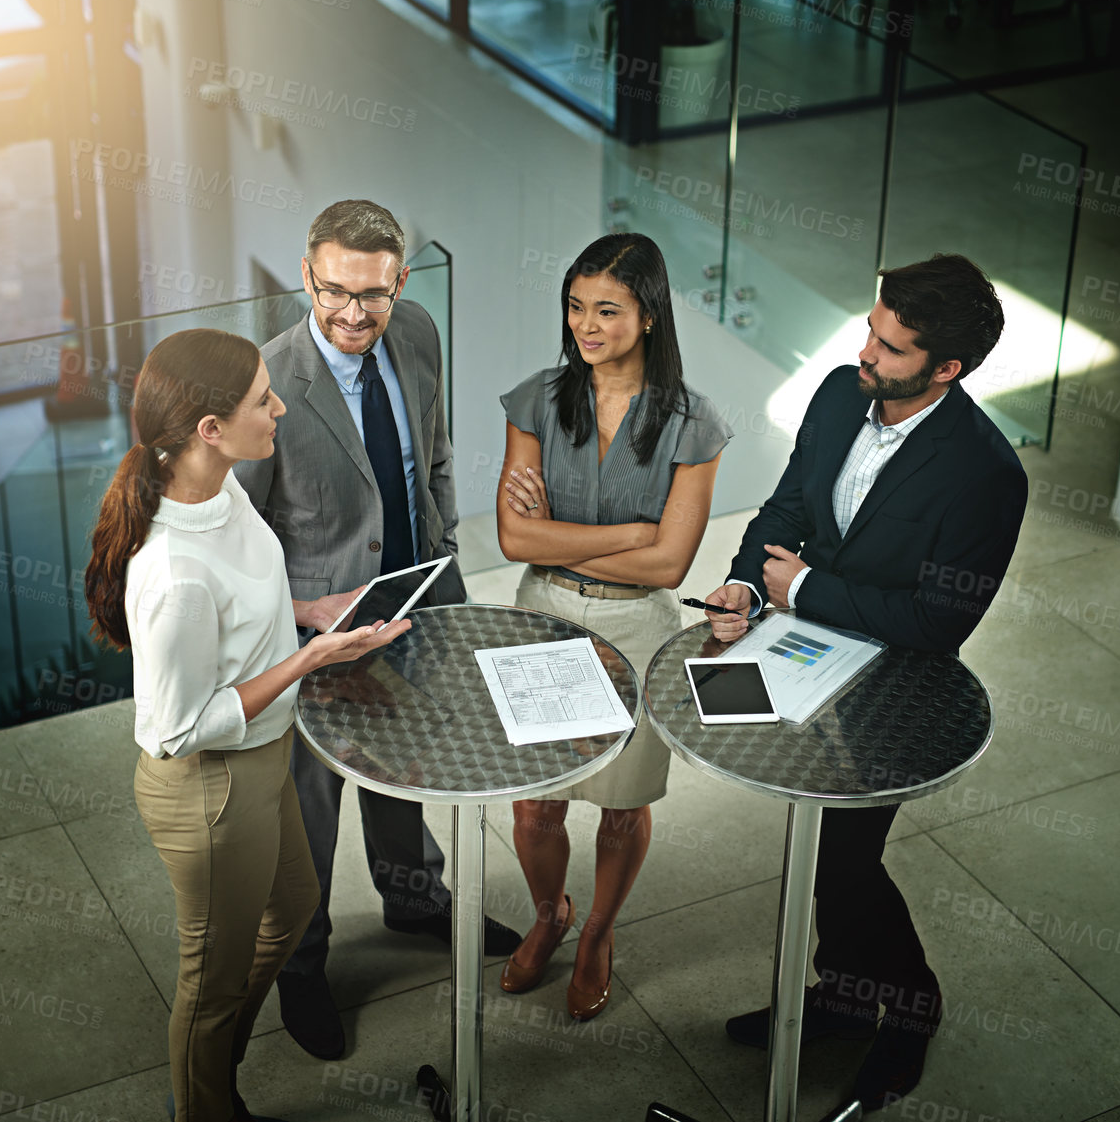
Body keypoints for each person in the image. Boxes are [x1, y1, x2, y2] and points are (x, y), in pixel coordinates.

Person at [701, 253, 1028, 1111]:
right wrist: (744, 579)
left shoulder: (987, 474)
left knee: (844, 862)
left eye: (888, 346)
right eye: (870, 332)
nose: (865, 353)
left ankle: (910, 1009)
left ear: (945, 368)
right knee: (825, 852)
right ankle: (844, 998)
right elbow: (789, 507)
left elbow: (938, 622)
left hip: (894, 688)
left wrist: (801, 589)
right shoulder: (845, 392)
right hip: (804, 664)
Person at [83, 328, 411, 1122]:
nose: (281, 407)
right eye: (263, 398)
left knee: (292, 908)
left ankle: (213, 1052)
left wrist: (306, 613)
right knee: (212, 979)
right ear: (208, 428)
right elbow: (177, 729)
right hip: (210, 791)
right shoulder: (172, 575)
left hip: (264, 760)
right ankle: (206, 1102)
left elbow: (245, 600)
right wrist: (309, 658)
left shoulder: (220, 486)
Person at [233, 199, 519, 1060]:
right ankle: (302, 964)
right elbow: (234, 547)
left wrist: (442, 541)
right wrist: (298, 614)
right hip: (315, 633)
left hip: (418, 596)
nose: (353, 313)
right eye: (333, 291)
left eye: (372, 293)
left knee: (407, 763)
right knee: (310, 815)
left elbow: (429, 450)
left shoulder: (419, 332)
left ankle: (413, 898)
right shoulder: (265, 385)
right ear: (306, 276)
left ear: (399, 282)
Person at [496, 232, 732, 1021]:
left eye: (606, 309)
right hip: (544, 616)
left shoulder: (695, 426)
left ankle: (596, 931)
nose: (584, 326)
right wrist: (632, 532)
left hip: (638, 627)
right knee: (535, 803)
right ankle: (546, 915)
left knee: (622, 804)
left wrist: (610, 541)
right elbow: (516, 541)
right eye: (574, 307)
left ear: (650, 314)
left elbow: (669, 569)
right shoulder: (534, 399)